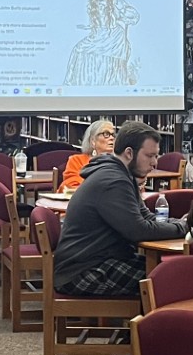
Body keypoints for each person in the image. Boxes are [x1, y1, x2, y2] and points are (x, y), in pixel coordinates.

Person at [50, 120, 165, 297]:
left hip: (98, 260)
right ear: (129, 153)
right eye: (150, 156)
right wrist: (184, 228)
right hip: (82, 271)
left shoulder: (123, 175)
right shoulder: (114, 181)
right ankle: (149, 324)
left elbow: (146, 217)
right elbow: (139, 230)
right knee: (169, 280)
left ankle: (148, 323)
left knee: (168, 271)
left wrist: (182, 223)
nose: (155, 163)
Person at [64, 0, 138, 87]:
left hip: (114, 35)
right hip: (99, 34)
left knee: (107, 57)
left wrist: (126, 16)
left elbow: (133, 16)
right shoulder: (93, 4)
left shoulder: (115, 1)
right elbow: (99, 22)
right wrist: (88, 27)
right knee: (78, 49)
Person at [59, 119, 115, 192]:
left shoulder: (119, 162)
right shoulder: (76, 161)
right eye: (106, 134)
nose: (112, 138)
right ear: (93, 141)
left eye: (113, 135)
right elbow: (70, 185)